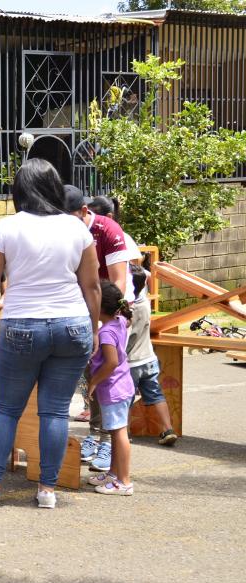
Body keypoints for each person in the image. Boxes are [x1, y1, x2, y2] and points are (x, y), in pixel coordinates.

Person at [0, 159, 100, 509]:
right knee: (56, 412)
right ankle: (47, 490)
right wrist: (93, 330)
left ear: (20, 191)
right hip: (72, 322)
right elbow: (91, 287)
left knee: (5, 409)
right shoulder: (77, 228)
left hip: (22, 324)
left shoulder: (7, 228)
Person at [66, 185, 130, 473]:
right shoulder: (64, 230)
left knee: (106, 378)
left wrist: (104, 321)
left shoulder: (108, 229)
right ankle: (95, 434)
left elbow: (118, 282)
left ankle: (106, 441)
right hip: (85, 314)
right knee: (90, 379)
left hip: (107, 313)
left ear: (84, 212)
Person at [123, 240, 178, 446]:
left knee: (125, 400)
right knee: (155, 394)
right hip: (149, 359)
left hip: (130, 363)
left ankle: (124, 434)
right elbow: (143, 276)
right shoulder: (145, 303)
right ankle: (167, 429)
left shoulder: (126, 310)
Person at [86, 281, 136, 496]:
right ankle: (114, 474)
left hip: (113, 389)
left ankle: (124, 481)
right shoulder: (120, 321)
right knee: (115, 433)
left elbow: (111, 362)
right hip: (122, 385)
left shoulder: (106, 333)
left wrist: (94, 381)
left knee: (119, 433)